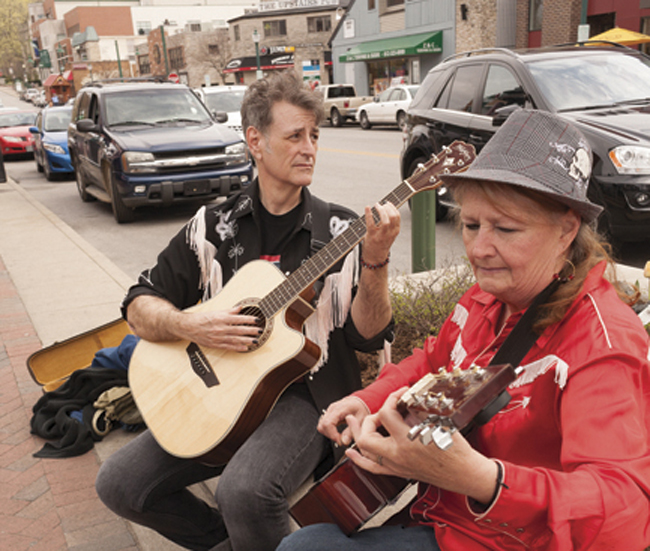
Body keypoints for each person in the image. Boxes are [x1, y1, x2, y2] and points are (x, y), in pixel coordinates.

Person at [278, 109, 650, 551]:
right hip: (438, 516)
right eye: (471, 225)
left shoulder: (603, 343)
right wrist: (367, 399)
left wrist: (482, 480)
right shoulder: (486, 297)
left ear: (567, 229)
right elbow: (435, 360)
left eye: (506, 229)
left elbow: (622, 512)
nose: (479, 248)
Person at [95, 70, 400, 551]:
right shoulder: (212, 226)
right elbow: (138, 304)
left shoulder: (342, 229)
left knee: (246, 492)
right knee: (119, 484)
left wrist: (377, 259)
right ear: (255, 141)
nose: (309, 148)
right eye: (295, 136)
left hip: (308, 398)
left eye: (314, 136)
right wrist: (188, 323)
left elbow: (369, 335)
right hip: (221, 392)